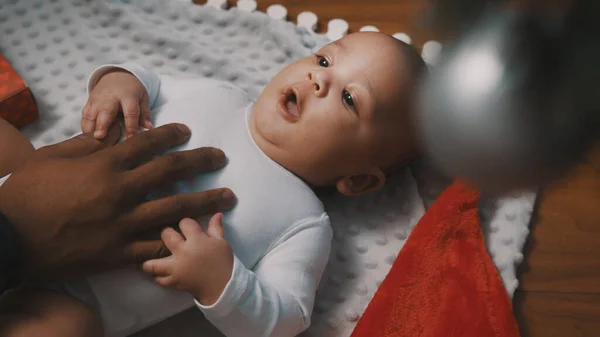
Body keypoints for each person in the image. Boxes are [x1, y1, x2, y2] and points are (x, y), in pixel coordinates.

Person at [1, 32, 427, 337]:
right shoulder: (219, 93)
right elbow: (151, 82)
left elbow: (288, 316)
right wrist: (118, 83)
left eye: (350, 98)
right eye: (323, 59)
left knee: (71, 328)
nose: (320, 79)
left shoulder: (300, 222)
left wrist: (223, 282)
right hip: (30, 185)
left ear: (356, 178)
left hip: (64, 298)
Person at [0, 121, 236, 335]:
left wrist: (117, 79)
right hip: (40, 303)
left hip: (20, 188)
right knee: (73, 326)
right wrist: (224, 289)